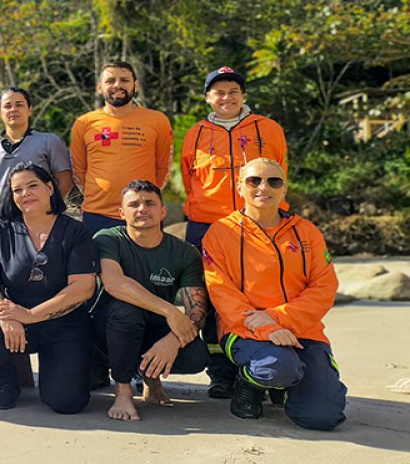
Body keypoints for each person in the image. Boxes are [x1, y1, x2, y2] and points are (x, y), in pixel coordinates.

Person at [203, 158, 346, 431]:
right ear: (239, 187)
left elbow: (324, 286)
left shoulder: (307, 232)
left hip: (302, 331)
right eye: (254, 180)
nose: (263, 187)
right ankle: (251, 383)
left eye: (273, 181)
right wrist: (268, 328)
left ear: (284, 189)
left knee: (323, 417)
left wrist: (277, 319)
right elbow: (221, 292)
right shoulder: (220, 233)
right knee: (278, 366)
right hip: (245, 329)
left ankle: (286, 386)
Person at [181, 66, 290, 398]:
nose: (226, 98)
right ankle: (221, 374)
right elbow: (189, 180)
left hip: (258, 223)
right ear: (207, 98)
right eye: (218, 92)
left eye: (233, 91)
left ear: (243, 96)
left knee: (265, 295)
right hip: (207, 227)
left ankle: (265, 369)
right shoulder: (195, 134)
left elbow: (279, 172)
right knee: (212, 300)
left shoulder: (267, 128)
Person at [0, 162, 100, 413]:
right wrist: (5, 313)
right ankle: (7, 383)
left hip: (64, 324)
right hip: (16, 319)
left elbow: (83, 287)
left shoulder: (75, 231)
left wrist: (31, 315)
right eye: (17, 190)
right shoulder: (2, 231)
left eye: (32, 185)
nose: (25, 194)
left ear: (50, 188)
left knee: (66, 403)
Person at [93, 180, 209, 422]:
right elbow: (115, 283)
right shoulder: (107, 239)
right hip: (107, 330)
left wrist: (173, 340)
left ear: (163, 211)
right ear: (121, 213)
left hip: (152, 327)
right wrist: (170, 311)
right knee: (127, 311)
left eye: (149, 203)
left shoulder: (185, 252)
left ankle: (150, 377)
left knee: (195, 355)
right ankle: (123, 391)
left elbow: (197, 311)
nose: (142, 209)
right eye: (133, 204)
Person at [70, 62, 173, 235]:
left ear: (135, 85)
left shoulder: (157, 121)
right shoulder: (84, 123)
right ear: (100, 87)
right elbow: (78, 169)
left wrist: (146, 199)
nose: (117, 85)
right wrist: (99, 197)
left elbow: (163, 168)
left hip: (143, 213)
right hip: (97, 215)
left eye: (124, 80)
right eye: (110, 81)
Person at [0, 87, 73, 230]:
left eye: (19, 104)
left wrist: (49, 207)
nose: (13, 109)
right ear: (0, 112)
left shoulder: (48, 141)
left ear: (30, 109)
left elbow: (65, 180)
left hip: (40, 223)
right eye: (7, 106)